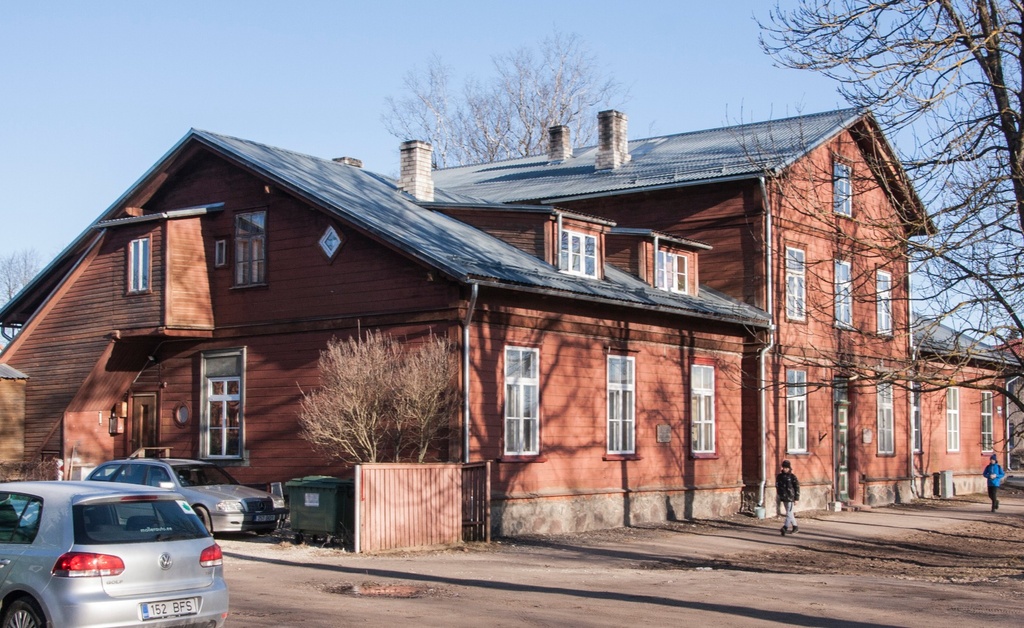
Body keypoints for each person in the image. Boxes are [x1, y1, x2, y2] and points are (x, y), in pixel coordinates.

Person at [776, 459, 800, 535]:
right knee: (790, 513)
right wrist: (779, 495)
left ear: (789, 468)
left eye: (786, 468)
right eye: (784, 467)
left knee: (789, 513)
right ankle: (795, 527)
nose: (785, 469)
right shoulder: (779, 477)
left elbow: (797, 487)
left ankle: (785, 527)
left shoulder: (792, 477)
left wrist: (796, 498)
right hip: (783, 497)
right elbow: (777, 486)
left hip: (790, 497)